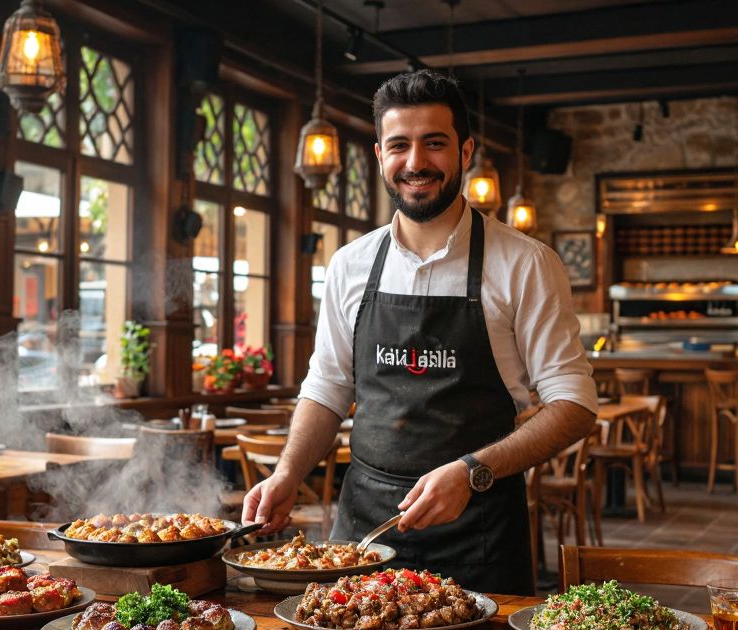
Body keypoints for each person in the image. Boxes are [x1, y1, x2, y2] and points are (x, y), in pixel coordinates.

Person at [242, 70, 597, 596]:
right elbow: (328, 388)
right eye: (400, 145)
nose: (416, 162)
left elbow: (574, 404)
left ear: (466, 151)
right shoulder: (349, 264)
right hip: (364, 530)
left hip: (480, 531)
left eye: (435, 143)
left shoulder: (525, 263)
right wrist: (286, 474)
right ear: (379, 155)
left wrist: (472, 471)